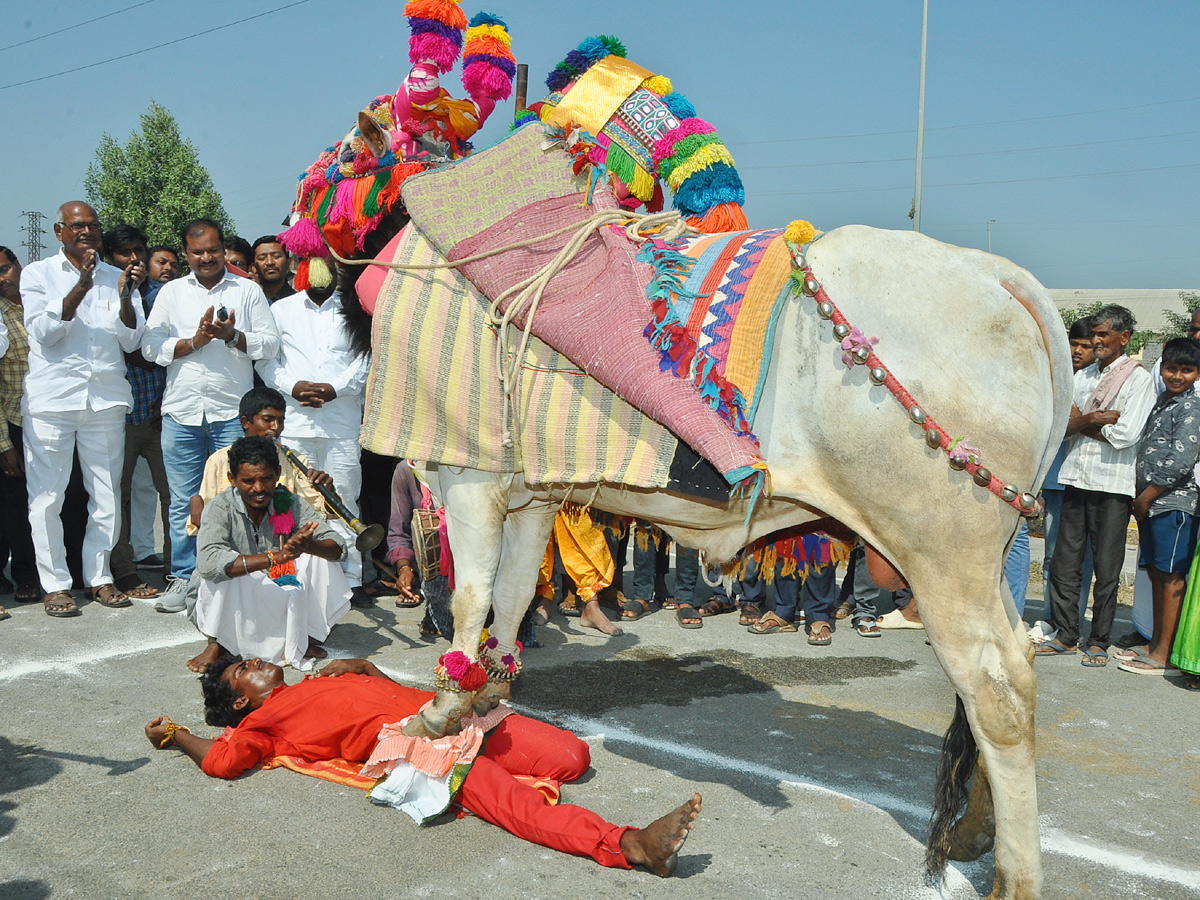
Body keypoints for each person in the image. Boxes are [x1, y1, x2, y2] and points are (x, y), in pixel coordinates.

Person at [144, 654, 702, 876]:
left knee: (571, 756)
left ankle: (510, 785)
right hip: (417, 746)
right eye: (243, 669)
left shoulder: (321, 677)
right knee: (516, 804)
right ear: (240, 700)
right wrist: (178, 735)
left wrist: (365, 668)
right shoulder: (258, 726)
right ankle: (628, 845)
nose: (257, 660)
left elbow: (385, 693)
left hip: (453, 715)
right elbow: (221, 761)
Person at [143, 218, 280, 613]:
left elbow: (269, 345)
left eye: (213, 250)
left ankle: (233, 576)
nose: (206, 258)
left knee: (233, 496)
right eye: (197, 252)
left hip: (229, 413)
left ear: (223, 249)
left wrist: (232, 338)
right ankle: (185, 577)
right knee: (184, 500)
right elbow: (150, 346)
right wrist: (193, 342)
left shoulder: (248, 291)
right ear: (185, 253)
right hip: (182, 411)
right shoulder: (170, 292)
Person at [20, 201, 145, 617]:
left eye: (93, 226)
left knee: (106, 495)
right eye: (77, 227)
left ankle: (99, 577)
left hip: (105, 399)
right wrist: (83, 284)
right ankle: (55, 584)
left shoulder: (118, 277)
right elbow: (44, 332)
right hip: (52, 401)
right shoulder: (38, 275)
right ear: (59, 231)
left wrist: (126, 296)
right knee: (47, 498)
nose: (87, 232)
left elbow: (132, 341)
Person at [1037, 306, 1156, 667]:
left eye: (1105, 335)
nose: (1097, 341)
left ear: (1124, 338)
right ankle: (1066, 634)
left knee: (1106, 569)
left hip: (1113, 485)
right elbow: (1059, 423)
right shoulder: (1083, 375)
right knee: (1063, 564)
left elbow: (1125, 435)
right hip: (1075, 477)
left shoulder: (1139, 380)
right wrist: (1092, 419)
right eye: (1096, 335)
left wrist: (1080, 423)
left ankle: (1099, 639)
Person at [256, 257, 370, 592]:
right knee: (288, 498)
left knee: (345, 497)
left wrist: (337, 388)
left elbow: (368, 356)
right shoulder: (281, 310)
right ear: (299, 267)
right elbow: (267, 360)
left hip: (341, 422)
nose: (323, 275)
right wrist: (293, 387)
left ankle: (350, 577)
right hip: (294, 422)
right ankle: (288, 570)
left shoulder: (356, 309)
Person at [193, 435, 350, 671]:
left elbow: (339, 548)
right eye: (248, 481)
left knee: (322, 560)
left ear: (277, 473)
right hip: (236, 597)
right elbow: (208, 562)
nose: (258, 489)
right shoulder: (219, 508)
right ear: (232, 479)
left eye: (266, 479)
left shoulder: (291, 502)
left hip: (276, 587)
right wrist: (274, 558)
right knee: (221, 568)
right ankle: (218, 643)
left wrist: (307, 546)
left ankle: (304, 636)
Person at [1116, 338, 1200, 675]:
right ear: (1161, 368)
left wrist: (1147, 496)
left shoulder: (1191, 408)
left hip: (1174, 503)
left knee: (1171, 578)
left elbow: (1180, 461)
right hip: (1151, 503)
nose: (1177, 376)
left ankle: (1165, 653)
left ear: (1197, 373)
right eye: (1171, 368)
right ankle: (1154, 643)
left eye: (1186, 370)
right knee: (1155, 572)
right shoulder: (1163, 400)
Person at [103, 224, 170, 600]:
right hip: (119, 417)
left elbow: (164, 350)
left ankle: (177, 569)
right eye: (125, 253)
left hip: (160, 414)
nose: (134, 260)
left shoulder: (163, 296)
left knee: (174, 496)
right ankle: (124, 571)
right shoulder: (104, 294)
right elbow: (133, 349)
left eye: (138, 252)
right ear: (109, 258)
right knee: (117, 496)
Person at [1029, 317, 1098, 643]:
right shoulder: (1055, 377)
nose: (1078, 351)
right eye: (1075, 344)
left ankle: (1069, 621)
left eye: (1086, 346)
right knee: (1051, 559)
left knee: (1077, 561)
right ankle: (1049, 618)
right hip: (1055, 480)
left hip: (1084, 481)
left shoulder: (1095, 384)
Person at [0, 246, 40, 610]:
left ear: (18, 265)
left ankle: (56, 570)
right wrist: (2, 443)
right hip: (12, 421)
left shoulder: (42, 299)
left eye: (6, 268)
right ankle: (24, 574)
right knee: (14, 506)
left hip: (51, 417)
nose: (3, 278)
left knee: (57, 499)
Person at [250, 236, 295, 302]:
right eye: (262, 258)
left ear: (289, 263)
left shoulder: (299, 302)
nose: (270, 262)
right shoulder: (248, 300)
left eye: (276, 256)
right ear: (253, 267)